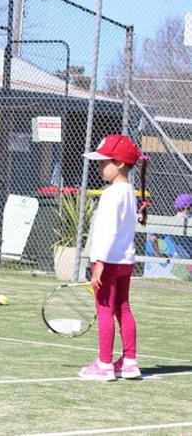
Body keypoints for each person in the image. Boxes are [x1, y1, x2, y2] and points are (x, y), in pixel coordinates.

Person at [80, 134, 147, 381]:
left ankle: (105, 364)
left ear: (119, 164)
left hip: (108, 263)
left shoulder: (111, 194)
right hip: (125, 262)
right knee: (123, 308)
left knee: (105, 309)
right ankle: (130, 362)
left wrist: (99, 263)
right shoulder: (129, 192)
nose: (99, 167)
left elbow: (108, 232)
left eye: (103, 162)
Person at [143, 193, 192, 280]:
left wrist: (159, 256)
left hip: (180, 264)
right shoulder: (190, 220)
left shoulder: (169, 222)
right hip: (187, 264)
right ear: (188, 207)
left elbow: (152, 237)